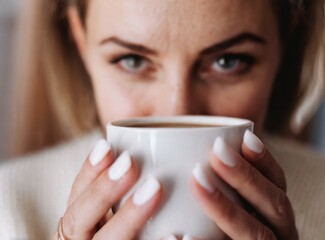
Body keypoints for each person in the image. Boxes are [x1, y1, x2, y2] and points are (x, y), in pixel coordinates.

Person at [0, 0, 324, 239]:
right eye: (132, 60)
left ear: (284, 44)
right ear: (81, 41)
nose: (177, 113)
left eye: (228, 61)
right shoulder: (9, 208)